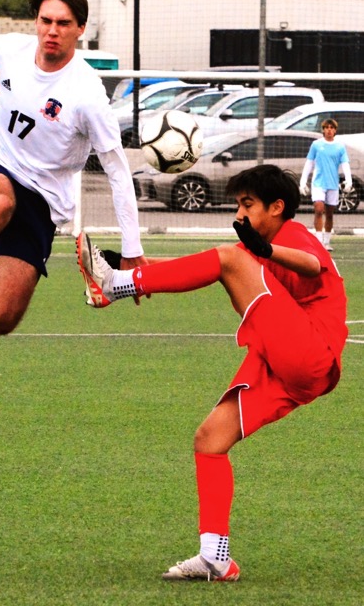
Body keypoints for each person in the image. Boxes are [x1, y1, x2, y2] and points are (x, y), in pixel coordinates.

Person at [77, 164, 347, 581]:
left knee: (229, 258)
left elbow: (313, 264)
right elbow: (208, 266)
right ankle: (215, 557)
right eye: (239, 204)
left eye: (248, 204)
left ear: (277, 208)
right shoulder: (260, 246)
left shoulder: (292, 235)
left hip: (311, 349)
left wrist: (266, 250)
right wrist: (141, 269)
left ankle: (115, 286)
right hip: (289, 365)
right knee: (209, 440)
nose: (240, 213)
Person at [0, 0, 145, 334]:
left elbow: (118, 171)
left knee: (1, 320)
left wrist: (131, 247)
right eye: (46, 20)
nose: (52, 31)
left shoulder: (88, 94)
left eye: (63, 23)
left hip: (44, 197)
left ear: (80, 29)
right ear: (36, 20)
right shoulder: (11, 50)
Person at [299, 118, 352, 252]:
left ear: (335, 130)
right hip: (318, 183)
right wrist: (303, 181)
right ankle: (318, 241)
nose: (329, 130)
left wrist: (349, 180)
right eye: (326, 127)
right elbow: (309, 163)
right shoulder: (316, 145)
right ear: (323, 130)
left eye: (331, 128)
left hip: (332, 184)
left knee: (329, 213)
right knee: (318, 208)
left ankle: (326, 242)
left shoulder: (340, 146)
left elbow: (345, 164)